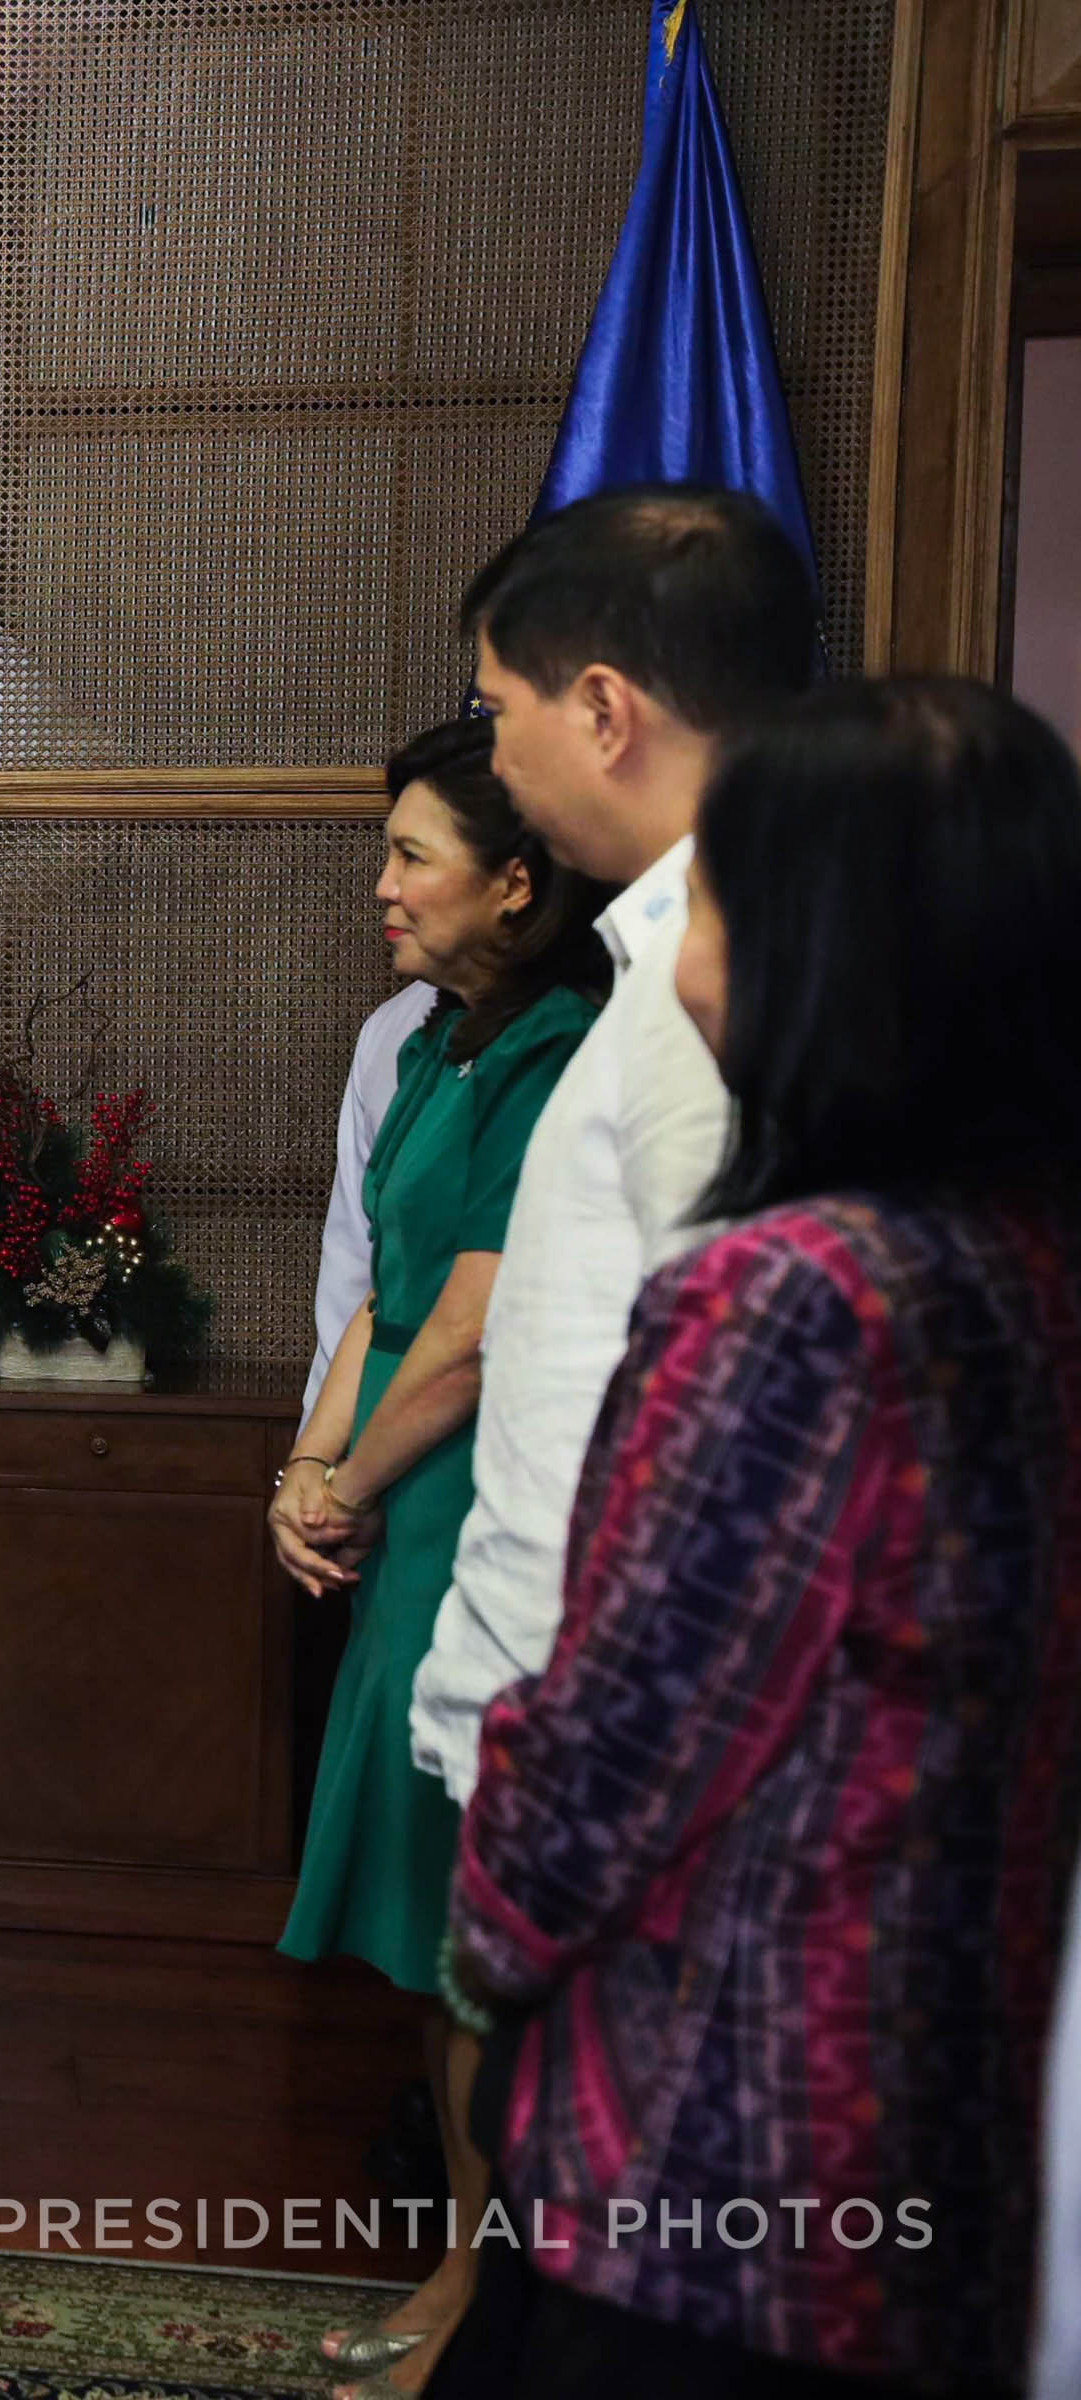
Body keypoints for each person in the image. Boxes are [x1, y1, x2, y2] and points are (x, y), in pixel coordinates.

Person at [436, 676, 1081, 2398]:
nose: (675, 942)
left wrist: (485, 1923)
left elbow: (615, 1745)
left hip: (710, 2160)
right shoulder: (1027, 1260)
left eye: (712, 895)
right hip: (938, 2124)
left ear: (821, 945)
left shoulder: (792, 1296)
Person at [266, 719, 610, 2398]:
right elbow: (377, 1300)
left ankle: (496, 2297)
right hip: (396, 1499)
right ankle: (461, 2258)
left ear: (520, 883)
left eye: (414, 854)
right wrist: (309, 1468)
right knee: (426, 1934)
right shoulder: (424, 1046)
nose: (381, 883)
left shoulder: (560, 1053)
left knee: (482, 1940)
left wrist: (349, 1486)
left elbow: (469, 1340)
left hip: (481, 1505)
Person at [406, 484, 818, 1808]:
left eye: (497, 709)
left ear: (601, 710)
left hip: (616, 1748)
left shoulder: (728, 982)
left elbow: (732, 1429)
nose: (499, 756)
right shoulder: (673, 958)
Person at [305, 981, 442, 1415]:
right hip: (380, 1416)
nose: (384, 906)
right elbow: (354, 1266)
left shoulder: (570, 1020)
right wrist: (313, 1451)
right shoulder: (391, 1028)